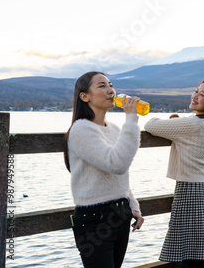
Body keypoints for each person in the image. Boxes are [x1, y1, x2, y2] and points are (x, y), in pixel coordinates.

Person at [63, 71, 145, 268]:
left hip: (120, 213)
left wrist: (132, 205)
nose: (111, 90)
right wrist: (131, 120)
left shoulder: (114, 128)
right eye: (102, 86)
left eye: (110, 84)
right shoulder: (82, 129)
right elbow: (116, 164)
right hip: (94, 218)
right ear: (85, 96)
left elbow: (119, 175)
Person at [144, 79, 204, 268]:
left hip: (191, 192)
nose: (194, 96)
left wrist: (175, 121)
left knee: (191, 257)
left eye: (202, 94)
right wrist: (178, 122)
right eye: (195, 91)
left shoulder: (193, 124)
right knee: (198, 254)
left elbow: (150, 125)